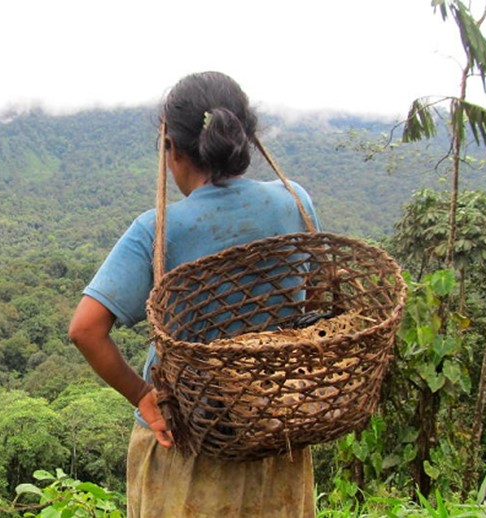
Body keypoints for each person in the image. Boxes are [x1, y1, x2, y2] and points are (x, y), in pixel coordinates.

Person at [68, 71, 320, 517]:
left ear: (176, 150)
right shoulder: (294, 201)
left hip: (185, 440)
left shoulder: (157, 230)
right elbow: (313, 298)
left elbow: (86, 329)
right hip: (274, 432)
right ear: (245, 137)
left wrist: (143, 396)